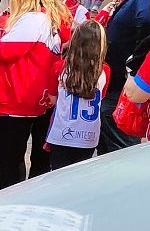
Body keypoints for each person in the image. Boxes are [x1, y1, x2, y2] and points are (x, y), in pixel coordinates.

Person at [0, 0, 69, 191]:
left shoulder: (32, 18)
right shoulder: (51, 16)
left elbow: (5, 52)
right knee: (35, 153)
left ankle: (10, 195)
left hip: (18, 95)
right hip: (38, 94)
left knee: (10, 153)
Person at [97, 0, 150, 153]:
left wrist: (133, 67)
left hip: (123, 88)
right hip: (117, 85)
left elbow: (147, 26)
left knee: (120, 149)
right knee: (109, 147)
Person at [45, 21, 109, 169]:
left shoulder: (59, 67)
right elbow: (103, 96)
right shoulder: (105, 71)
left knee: (58, 172)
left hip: (62, 133)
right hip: (88, 136)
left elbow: (52, 99)